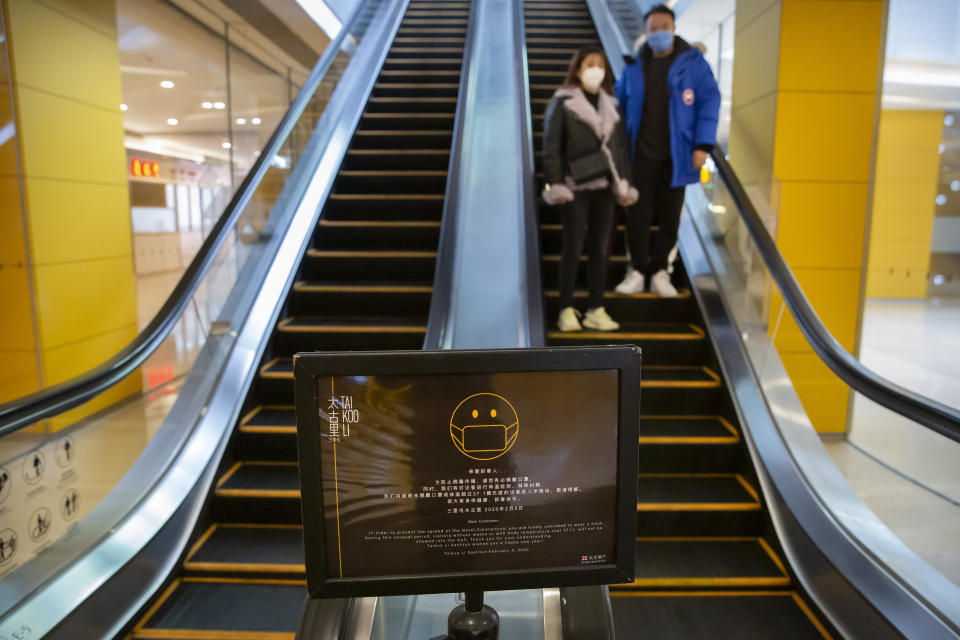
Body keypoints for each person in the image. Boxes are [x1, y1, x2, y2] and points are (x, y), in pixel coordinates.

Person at [614, 4, 721, 297]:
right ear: (646, 32)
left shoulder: (693, 64)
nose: (659, 32)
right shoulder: (633, 67)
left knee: (670, 216)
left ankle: (661, 272)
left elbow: (709, 102)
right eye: (653, 28)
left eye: (665, 27)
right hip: (640, 156)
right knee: (637, 216)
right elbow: (617, 107)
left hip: (678, 157)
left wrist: (702, 145)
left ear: (673, 29)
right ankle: (636, 270)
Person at [542, 46, 638, 332]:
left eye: (600, 64)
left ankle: (596, 308)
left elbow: (619, 149)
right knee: (572, 247)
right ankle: (566, 309)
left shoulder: (611, 104)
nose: (596, 68)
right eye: (589, 64)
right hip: (575, 186)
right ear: (578, 68)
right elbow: (551, 146)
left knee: (600, 249)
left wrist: (625, 183)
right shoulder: (563, 102)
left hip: (606, 187)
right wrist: (556, 182)